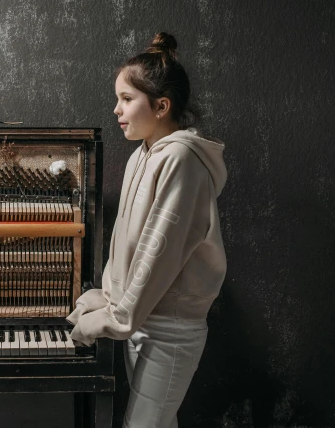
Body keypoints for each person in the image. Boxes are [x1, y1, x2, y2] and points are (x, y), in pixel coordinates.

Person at [67, 33, 227, 428]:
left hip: (169, 326)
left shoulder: (180, 158)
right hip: (140, 319)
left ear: (161, 106)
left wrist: (111, 319)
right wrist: (105, 298)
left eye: (126, 99)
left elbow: (160, 251)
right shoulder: (144, 153)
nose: (117, 109)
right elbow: (127, 242)